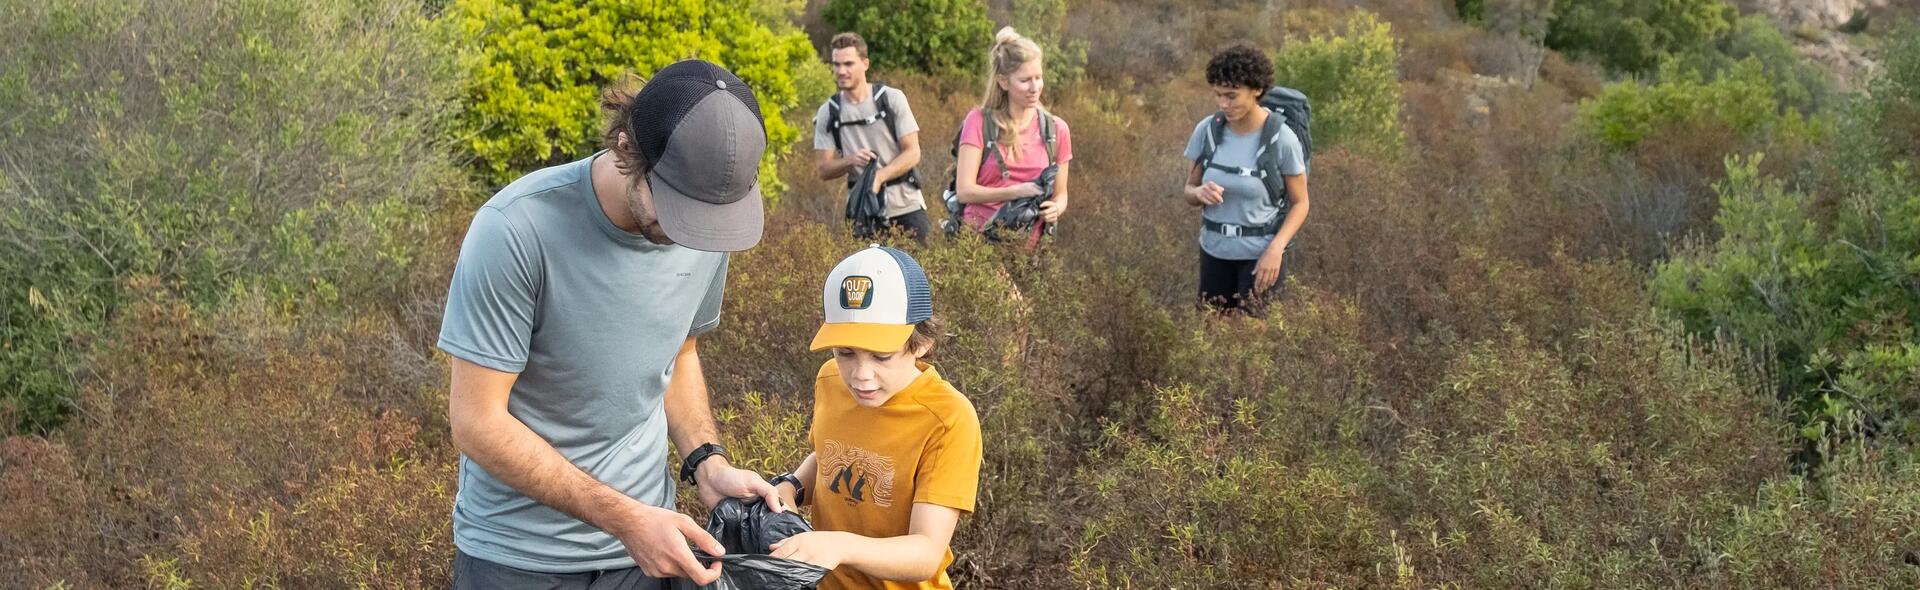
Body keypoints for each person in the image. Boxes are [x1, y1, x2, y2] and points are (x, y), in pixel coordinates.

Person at [438, 59, 784, 589]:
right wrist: (625, 520)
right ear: (626, 148)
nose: (687, 231)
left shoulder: (702, 228)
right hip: (518, 561)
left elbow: (678, 352)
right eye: (675, 206)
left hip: (649, 556)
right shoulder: (515, 229)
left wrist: (705, 462)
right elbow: (476, 422)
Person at [764, 245, 983, 590]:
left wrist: (840, 545)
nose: (860, 376)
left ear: (922, 343)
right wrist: (791, 485)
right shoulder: (830, 380)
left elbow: (926, 551)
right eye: (845, 352)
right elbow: (829, 456)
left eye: (882, 356)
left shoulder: (948, 418)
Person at [1181, 44, 1310, 314]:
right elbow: (1189, 190)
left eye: (1231, 96)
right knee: (1211, 336)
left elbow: (1300, 203)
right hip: (1214, 252)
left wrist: (1276, 250)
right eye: (1218, 95)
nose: (1223, 104)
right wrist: (1199, 192)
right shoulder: (1208, 130)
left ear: (1256, 90)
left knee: (1255, 341)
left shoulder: (1282, 139)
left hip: (1260, 257)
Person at [951, 27, 1073, 249]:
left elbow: (1061, 194)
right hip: (980, 246)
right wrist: (1016, 191)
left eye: (1039, 78)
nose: (1035, 87)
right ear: (1003, 82)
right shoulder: (978, 121)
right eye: (1025, 80)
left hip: (1032, 252)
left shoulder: (1057, 130)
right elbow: (964, 191)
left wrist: (1057, 207)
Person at [814, 32, 929, 244]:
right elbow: (823, 169)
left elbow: (913, 152)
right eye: (836, 64)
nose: (841, 71)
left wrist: (879, 177)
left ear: (865, 64)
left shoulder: (891, 99)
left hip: (906, 206)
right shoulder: (828, 112)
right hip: (862, 213)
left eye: (848, 64)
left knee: (917, 274)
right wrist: (850, 160)